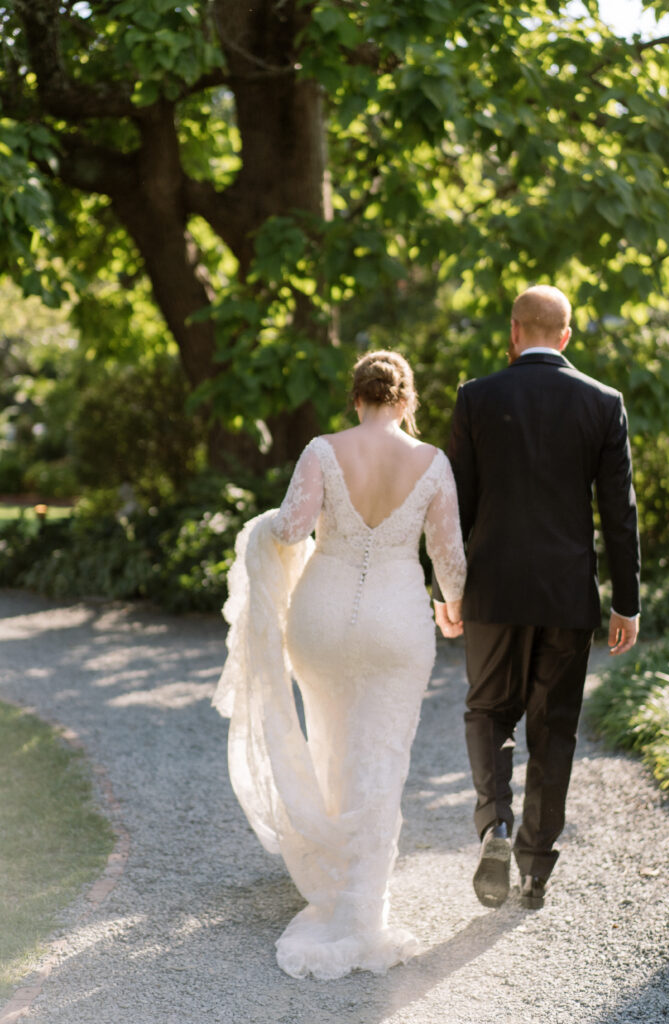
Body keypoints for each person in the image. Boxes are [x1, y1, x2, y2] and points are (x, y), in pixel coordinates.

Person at [213, 350, 466, 980]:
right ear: (405, 400)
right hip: (397, 622)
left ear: (356, 398)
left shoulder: (323, 450)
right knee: (382, 754)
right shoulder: (432, 462)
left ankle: (334, 872)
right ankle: (362, 905)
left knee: (332, 740)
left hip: (322, 620)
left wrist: (258, 529)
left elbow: (293, 529)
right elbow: (449, 555)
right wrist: (452, 606)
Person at [434, 284, 640, 911]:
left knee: (488, 711)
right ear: (566, 337)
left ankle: (494, 825)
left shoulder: (476, 397)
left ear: (514, 333)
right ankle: (534, 870)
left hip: (492, 590)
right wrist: (625, 601)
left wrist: (446, 590)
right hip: (564, 595)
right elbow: (618, 511)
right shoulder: (603, 403)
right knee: (553, 730)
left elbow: (453, 506)